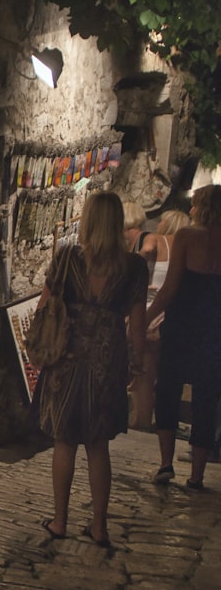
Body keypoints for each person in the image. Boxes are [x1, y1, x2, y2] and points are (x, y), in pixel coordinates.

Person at [36, 192, 148, 547]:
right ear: (117, 224)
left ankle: (60, 520)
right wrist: (137, 363)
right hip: (107, 361)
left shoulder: (68, 259)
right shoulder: (133, 269)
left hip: (66, 359)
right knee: (98, 446)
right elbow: (138, 325)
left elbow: (44, 306)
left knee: (64, 441)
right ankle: (99, 527)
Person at [147, 184, 221, 489]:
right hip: (215, 331)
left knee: (167, 391)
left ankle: (166, 464)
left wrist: (145, 320)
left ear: (203, 207)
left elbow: (170, 288)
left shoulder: (188, 237)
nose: (190, 209)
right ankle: (197, 476)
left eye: (195, 204)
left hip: (181, 326)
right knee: (207, 399)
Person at [129, 210, 192, 430]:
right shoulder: (188, 247)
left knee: (144, 368)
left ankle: (142, 418)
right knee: (165, 370)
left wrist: (131, 266)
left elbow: (146, 251)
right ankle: (164, 419)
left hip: (150, 308)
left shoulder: (157, 239)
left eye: (163, 220)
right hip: (173, 313)